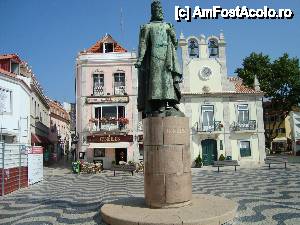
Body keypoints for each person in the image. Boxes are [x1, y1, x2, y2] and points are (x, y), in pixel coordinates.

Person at [135, 0, 184, 118]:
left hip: (167, 59)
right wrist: (140, 59)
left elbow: (175, 45)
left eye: (161, 10)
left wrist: (173, 34)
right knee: (156, 82)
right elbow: (143, 44)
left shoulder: (167, 26)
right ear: (153, 12)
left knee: (167, 81)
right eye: (157, 10)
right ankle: (157, 104)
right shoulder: (148, 27)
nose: (160, 12)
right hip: (154, 58)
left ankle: (169, 102)